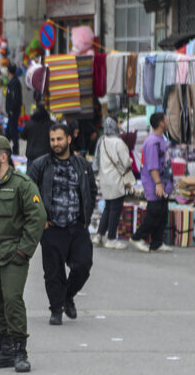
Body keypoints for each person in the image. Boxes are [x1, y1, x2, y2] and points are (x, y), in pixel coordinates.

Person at [0, 136, 46, 373]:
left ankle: (20, 350)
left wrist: (24, 250)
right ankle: (5, 350)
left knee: (12, 299)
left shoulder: (22, 184)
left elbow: (38, 217)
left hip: (13, 254)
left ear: (3, 156)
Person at [27, 124, 97, 326]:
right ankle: (56, 309)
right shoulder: (41, 165)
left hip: (76, 225)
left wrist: (86, 218)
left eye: (59, 139)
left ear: (68, 139)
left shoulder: (82, 165)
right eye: (52, 140)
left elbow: (91, 192)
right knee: (53, 272)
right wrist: (40, 219)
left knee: (83, 265)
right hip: (52, 226)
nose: (55, 143)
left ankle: (67, 296)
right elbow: (28, 193)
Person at [131, 112, 174, 253]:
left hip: (163, 182)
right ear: (161, 123)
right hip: (155, 183)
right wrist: (158, 183)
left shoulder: (161, 139)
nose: (168, 122)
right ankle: (138, 237)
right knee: (154, 211)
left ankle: (157, 242)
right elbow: (152, 166)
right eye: (166, 120)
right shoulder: (152, 142)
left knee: (162, 211)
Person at [94, 117, 135, 250]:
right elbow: (126, 162)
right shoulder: (119, 142)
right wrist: (130, 160)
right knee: (115, 210)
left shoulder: (103, 141)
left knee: (108, 208)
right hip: (117, 180)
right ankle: (111, 238)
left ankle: (99, 235)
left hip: (106, 180)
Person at [5, 65, 23, 154]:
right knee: (8, 131)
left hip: (13, 112)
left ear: (9, 71)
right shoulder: (11, 82)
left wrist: (11, 108)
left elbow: (15, 97)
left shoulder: (14, 82)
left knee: (13, 130)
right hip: (10, 111)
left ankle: (15, 149)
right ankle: (4, 147)